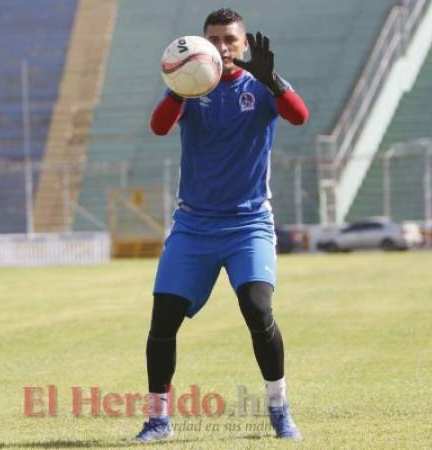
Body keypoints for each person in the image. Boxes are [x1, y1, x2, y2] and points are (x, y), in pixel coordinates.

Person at [135, 8, 309, 442]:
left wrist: (274, 81)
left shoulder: (260, 86)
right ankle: (158, 420)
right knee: (163, 321)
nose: (224, 47)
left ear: (245, 43)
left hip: (249, 225)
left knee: (257, 308)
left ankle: (279, 408)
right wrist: (179, 85)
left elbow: (299, 116)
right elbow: (158, 128)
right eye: (215, 39)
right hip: (193, 226)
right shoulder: (190, 89)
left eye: (231, 39)